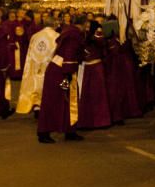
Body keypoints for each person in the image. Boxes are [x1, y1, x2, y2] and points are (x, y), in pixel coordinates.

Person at [37, 13, 87, 143]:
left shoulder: (69, 31)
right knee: (55, 101)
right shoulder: (74, 34)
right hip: (62, 71)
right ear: (84, 23)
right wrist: (68, 75)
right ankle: (44, 132)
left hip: (58, 69)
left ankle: (69, 130)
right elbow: (69, 54)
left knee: (67, 101)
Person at [17, 20, 59, 116]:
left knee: (36, 85)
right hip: (49, 65)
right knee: (47, 86)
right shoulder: (57, 36)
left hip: (35, 65)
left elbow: (30, 52)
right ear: (55, 25)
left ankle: (37, 106)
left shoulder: (35, 36)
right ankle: (47, 108)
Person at [77, 20, 112, 130]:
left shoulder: (97, 34)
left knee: (98, 95)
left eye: (88, 26)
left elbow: (101, 44)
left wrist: (95, 35)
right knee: (86, 95)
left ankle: (100, 121)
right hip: (86, 67)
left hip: (96, 67)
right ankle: (86, 121)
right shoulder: (83, 35)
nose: (87, 27)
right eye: (85, 25)